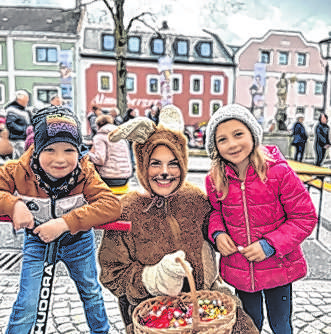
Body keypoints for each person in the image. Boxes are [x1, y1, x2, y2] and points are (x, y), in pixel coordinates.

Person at [98, 106, 259, 334]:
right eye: (155, 163)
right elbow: (112, 274)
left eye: (173, 163)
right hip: (153, 317)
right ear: (143, 165)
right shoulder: (127, 210)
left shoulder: (195, 200)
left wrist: (221, 235)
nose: (165, 172)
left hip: (207, 309)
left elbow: (219, 223)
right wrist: (152, 278)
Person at [0, 105, 122, 334]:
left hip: (78, 243)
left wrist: (65, 223)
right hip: (37, 242)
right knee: (27, 301)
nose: (60, 159)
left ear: (79, 150)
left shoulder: (85, 172)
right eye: (50, 150)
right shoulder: (19, 170)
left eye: (69, 150)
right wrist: (13, 204)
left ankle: (101, 331)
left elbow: (111, 205)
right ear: (36, 149)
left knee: (91, 293)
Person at [204, 104, 317, 334]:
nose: (232, 144)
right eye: (222, 139)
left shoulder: (279, 172)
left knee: (281, 324)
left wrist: (269, 245)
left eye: (238, 134)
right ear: (214, 146)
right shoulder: (215, 179)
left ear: (253, 135)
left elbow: (304, 217)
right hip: (240, 268)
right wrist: (218, 233)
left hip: (278, 266)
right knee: (248, 325)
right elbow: (215, 213)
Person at [88, 114, 132, 187]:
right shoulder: (120, 137)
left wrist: (88, 154)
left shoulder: (100, 137)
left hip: (109, 178)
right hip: (125, 177)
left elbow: (100, 160)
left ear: (98, 125)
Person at [5, 90, 31, 159]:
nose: (27, 101)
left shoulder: (24, 110)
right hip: (16, 139)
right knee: (19, 158)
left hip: (23, 138)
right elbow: (10, 124)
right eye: (26, 99)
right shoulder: (12, 109)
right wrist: (24, 130)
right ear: (19, 99)